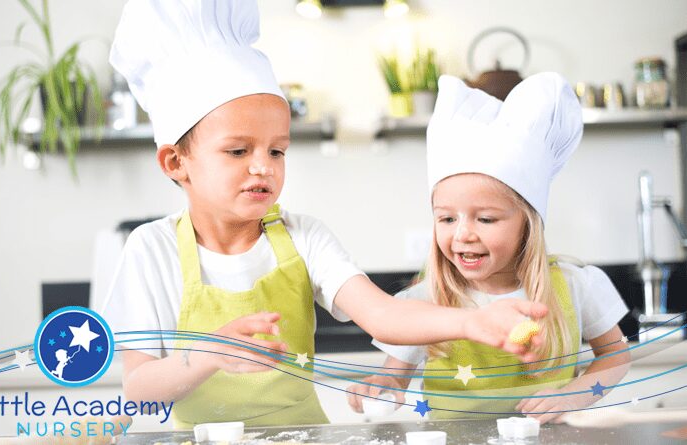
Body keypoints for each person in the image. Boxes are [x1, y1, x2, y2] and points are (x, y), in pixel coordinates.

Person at [102, 0, 547, 428]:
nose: (263, 166)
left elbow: (382, 314)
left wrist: (472, 321)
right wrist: (209, 356)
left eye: (277, 150)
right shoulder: (151, 250)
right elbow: (139, 388)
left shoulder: (303, 237)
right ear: (175, 163)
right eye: (238, 150)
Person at [347, 73, 631, 424]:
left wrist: (574, 395)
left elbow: (615, 356)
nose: (463, 234)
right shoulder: (423, 303)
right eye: (447, 219)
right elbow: (395, 378)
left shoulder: (575, 286)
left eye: (486, 219)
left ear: (527, 223)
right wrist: (380, 385)